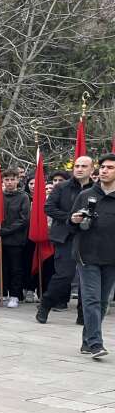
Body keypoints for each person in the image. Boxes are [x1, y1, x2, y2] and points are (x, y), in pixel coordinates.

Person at [38, 156, 94, 324]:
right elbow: (49, 208)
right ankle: (45, 305)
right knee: (64, 275)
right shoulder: (62, 187)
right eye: (77, 166)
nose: (79, 169)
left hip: (89, 238)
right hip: (65, 237)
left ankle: (83, 314)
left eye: (84, 166)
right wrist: (70, 218)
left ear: (92, 170)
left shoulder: (97, 189)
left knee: (88, 278)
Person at [70, 153, 115, 359]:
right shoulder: (87, 194)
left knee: (103, 300)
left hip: (111, 257)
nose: (104, 171)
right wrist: (75, 219)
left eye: (110, 168)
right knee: (91, 299)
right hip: (86, 255)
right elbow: (71, 223)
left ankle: (87, 341)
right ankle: (96, 344)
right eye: (103, 167)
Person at [0, 168, 31, 308]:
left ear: (18, 180)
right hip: (0, 239)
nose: (10, 182)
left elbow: (24, 219)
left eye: (12, 179)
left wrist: (6, 231)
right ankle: (2, 294)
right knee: (2, 267)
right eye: (7, 180)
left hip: (16, 239)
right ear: (3, 181)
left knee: (16, 268)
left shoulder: (23, 197)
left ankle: (15, 295)